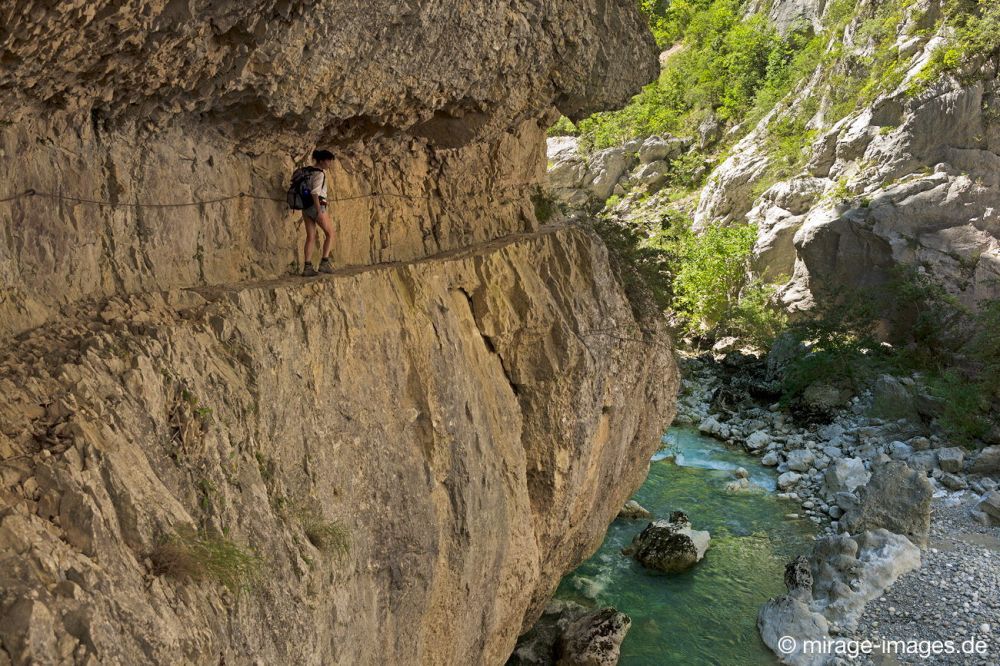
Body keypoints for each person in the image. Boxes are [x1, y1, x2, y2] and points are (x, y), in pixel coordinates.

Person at [300, 149, 336, 277]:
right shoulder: (320, 174)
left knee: (311, 236)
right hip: (317, 206)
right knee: (330, 234)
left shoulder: (308, 171)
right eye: (328, 160)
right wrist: (320, 211)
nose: (330, 163)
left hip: (305, 207)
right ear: (321, 160)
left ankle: (307, 267)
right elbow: (315, 193)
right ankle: (324, 263)